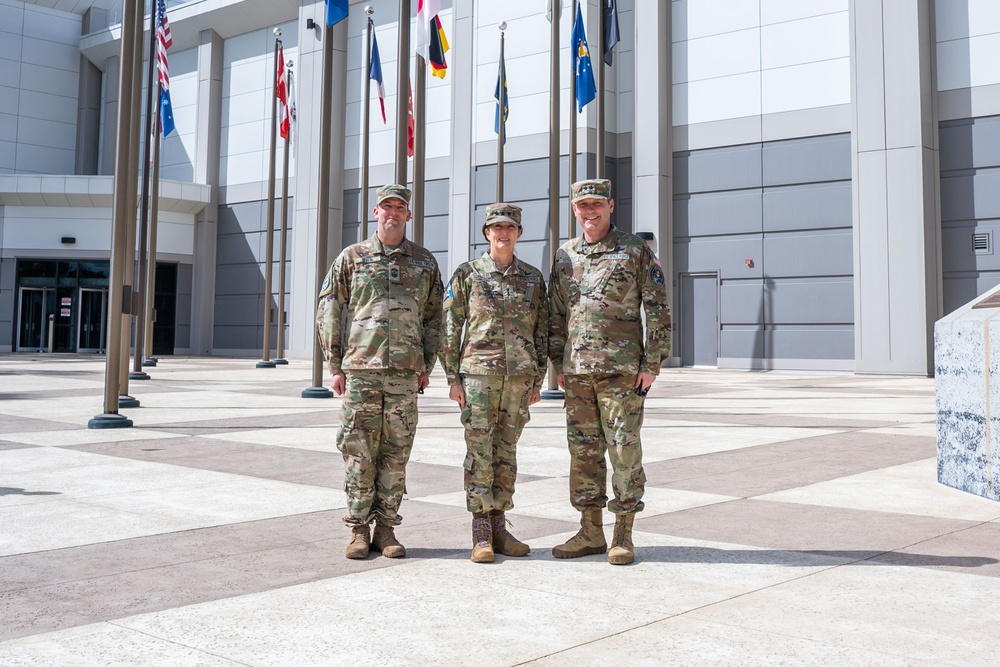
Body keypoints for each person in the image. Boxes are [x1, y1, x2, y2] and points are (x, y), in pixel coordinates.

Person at [316, 183, 444, 560]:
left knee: (396, 451)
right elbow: (329, 308)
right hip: (361, 371)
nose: (392, 213)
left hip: (405, 374)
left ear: (408, 214)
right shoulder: (352, 257)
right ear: (376, 213)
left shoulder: (424, 262)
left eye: (399, 207)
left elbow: (436, 317)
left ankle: (386, 528)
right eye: (385, 206)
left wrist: (427, 364)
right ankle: (358, 529)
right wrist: (334, 363)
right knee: (358, 451)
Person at [548, 178, 671, 565]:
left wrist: (652, 364)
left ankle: (623, 533)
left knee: (624, 450)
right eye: (583, 205)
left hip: (622, 371)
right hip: (577, 373)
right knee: (583, 453)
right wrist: (558, 364)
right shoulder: (565, 254)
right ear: (574, 209)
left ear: (611, 206)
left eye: (597, 204)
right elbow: (555, 314)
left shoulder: (634, 250)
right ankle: (589, 531)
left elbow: (658, 308)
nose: (590, 211)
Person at [441, 203, 549, 563]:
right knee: (479, 454)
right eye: (496, 228)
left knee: (507, 453)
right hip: (478, 378)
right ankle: (481, 532)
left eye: (510, 228)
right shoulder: (467, 274)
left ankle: (500, 527)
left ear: (519, 233)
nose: (503, 233)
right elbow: (450, 327)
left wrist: (538, 377)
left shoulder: (533, 278)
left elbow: (543, 330)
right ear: (486, 233)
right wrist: (453, 378)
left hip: (518, 379)